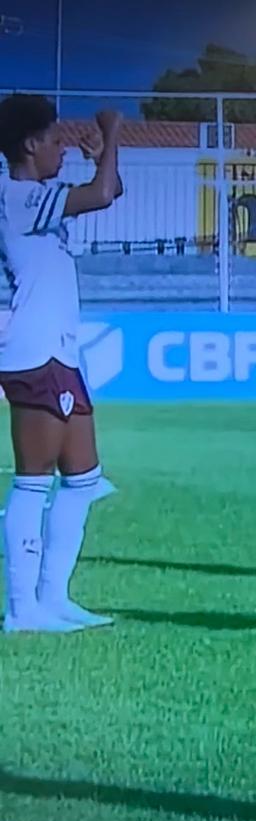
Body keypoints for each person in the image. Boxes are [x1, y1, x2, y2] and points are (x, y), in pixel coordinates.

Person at [0, 95, 123, 633]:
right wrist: (112, 132)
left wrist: (104, 158)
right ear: (29, 145)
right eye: (54, 141)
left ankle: (54, 597)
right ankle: (23, 607)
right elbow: (100, 195)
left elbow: (108, 188)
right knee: (33, 480)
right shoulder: (18, 197)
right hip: (33, 350)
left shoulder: (36, 195)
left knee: (82, 476)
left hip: (61, 351)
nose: (60, 150)